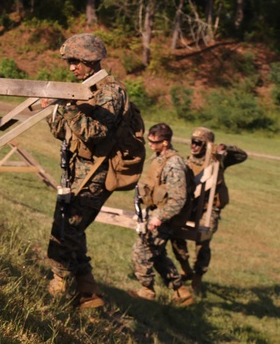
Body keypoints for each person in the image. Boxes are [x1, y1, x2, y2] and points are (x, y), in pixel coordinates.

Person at [38, 33, 124, 309]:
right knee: (70, 226)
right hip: (77, 172)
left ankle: (58, 286)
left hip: (95, 174)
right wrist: (54, 111)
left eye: (75, 61)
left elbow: (96, 133)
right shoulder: (84, 89)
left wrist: (66, 107)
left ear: (90, 60)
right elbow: (66, 133)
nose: (71, 67)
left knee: (67, 228)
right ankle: (89, 292)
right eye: (69, 62)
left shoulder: (110, 91)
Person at [170, 127, 247, 294]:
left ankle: (198, 277)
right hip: (190, 206)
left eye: (198, 143)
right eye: (192, 141)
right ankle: (185, 268)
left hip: (209, 208)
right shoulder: (186, 161)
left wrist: (225, 149)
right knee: (174, 234)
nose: (194, 146)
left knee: (203, 239)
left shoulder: (217, 161)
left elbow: (242, 156)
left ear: (207, 145)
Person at [132, 123, 195, 305]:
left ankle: (147, 291)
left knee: (141, 251)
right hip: (158, 212)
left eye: (154, 141)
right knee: (157, 254)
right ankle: (182, 292)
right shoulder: (160, 157)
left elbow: (178, 200)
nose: (150, 144)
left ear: (165, 143)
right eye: (149, 140)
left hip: (168, 217)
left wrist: (159, 217)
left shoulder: (174, 165)